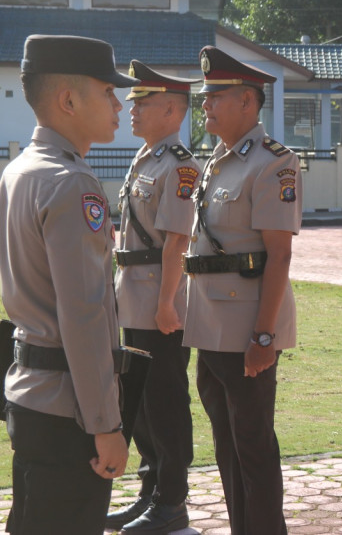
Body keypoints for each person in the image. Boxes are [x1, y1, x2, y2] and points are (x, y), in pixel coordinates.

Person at [0, 35, 137, 534]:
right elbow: (82, 316)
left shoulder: (20, 170)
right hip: (68, 409)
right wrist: (106, 425)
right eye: (108, 91)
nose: (119, 104)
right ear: (68, 100)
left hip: (29, 392)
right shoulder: (70, 182)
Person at [183, 46, 302, 535]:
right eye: (205, 97)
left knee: (253, 447)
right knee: (227, 446)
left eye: (216, 97)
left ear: (248, 102)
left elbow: (279, 256)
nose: (205, 105)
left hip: (246, 330)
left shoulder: (273, 163)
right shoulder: (217, 161)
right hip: (209, 327)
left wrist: (264, 336)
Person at [106, 61, 198, 534]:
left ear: (171, 110)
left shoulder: (180, 165)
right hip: (133, 297)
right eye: (133, 103)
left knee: (164, 402)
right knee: (139, 402)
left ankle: (172, 501)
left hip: (159, 303)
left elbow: (177, 241)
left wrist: (166, 303)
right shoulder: (145, 158)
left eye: (142, 103)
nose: (133, 110)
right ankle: (150, 491)